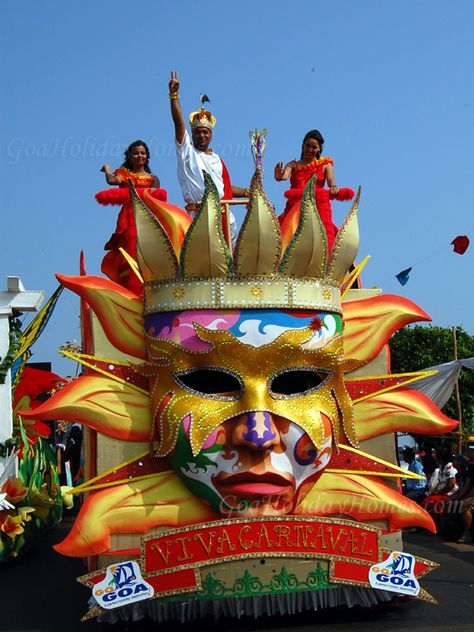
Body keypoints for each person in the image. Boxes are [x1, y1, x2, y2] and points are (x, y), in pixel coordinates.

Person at [168, 70, 248, 246]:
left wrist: (247, 192)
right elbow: (178, 123)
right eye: (198, 132)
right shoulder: (186, 152)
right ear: (192, 135)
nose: (202, 136)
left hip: (224, 217)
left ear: (211, 136)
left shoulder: (217, 159)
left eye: (205, 132)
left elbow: (224, 187)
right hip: (198, 218)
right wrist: (174, 96)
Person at [97, 140, 166, 294]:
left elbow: (156, 199)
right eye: (135, 153)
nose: (139, 156)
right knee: (128, 250)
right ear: (130, 157)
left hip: (147, 217)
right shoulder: (125, 175)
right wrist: (108, 170)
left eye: (142, 153)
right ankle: (129, 287)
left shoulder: (153, 179)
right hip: (128, 218)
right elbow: (111, 181)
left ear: (147, 156)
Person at [274, 130, 354, 253]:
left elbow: (331, 181)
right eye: (307, 145)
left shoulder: (325, 164)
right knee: (282, 239)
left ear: (319, 149)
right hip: (295, 210)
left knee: (328, 240)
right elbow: (283, 177)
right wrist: (278, 174)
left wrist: (334, 188)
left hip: (318, 209)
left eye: (314, 147)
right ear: (303, 146)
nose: (310, 149)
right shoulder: (294, 165)